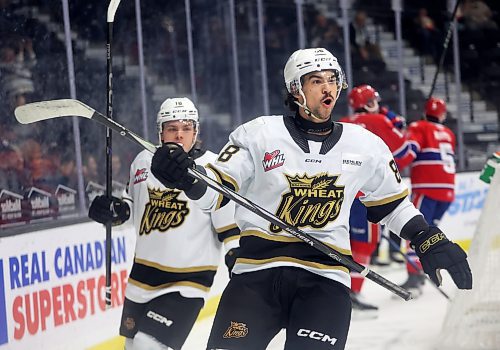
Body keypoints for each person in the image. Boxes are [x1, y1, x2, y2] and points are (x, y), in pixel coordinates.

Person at [150, 48, 472, 350]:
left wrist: (425, 237)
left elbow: (393, 205)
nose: (327, 88)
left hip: (325, 278)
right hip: (256, 274)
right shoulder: (259, 133)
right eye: (316, 81)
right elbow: (217, 191)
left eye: (332, 79)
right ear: (295, 89)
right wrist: (185, 177)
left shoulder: (364, 145)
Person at [88, 97, 240, 350]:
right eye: (172, 128)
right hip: (141, 278)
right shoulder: (142, 162)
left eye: (186, 128)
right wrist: (114, 212)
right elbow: (135, 211)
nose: (179, 135)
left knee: (147, 346)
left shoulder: (212, 167)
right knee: (132, 345)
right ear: (160, 132)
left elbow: (229, 227)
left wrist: (239, 262)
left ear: (196, 131)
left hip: (188, 282)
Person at [339, 84, 413, 314]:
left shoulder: (340, 123)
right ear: (370, 103)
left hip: (338, 195)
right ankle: (351, 295)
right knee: (363, 245)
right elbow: (405, 155)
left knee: (340, 244)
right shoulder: (379, 122)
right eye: (376, 102)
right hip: (367, 196)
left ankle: (337, 293)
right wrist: (395, 124)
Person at [399, 97, 457, 296]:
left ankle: (415, 279)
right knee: (429, 233)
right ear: (442, 114)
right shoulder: (448, 133)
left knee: (414, 232)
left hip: (427, 188)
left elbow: (409, 152)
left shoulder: (419, 127)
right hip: (447, 191)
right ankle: (427, 268)